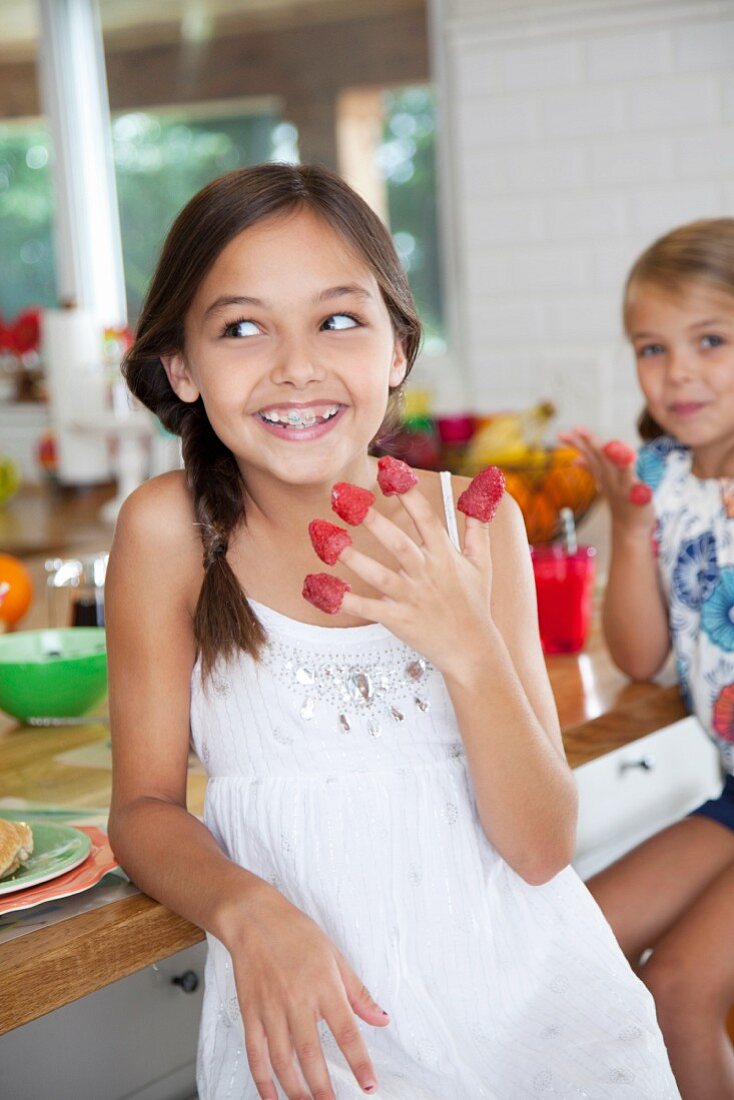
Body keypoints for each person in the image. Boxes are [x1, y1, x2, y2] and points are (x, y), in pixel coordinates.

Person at [106, 163, 678, 1100]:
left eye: (338, 319)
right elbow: (143, 811)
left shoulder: (472, 522)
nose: (296, 364)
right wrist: (248, 912)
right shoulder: (171, 532)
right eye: (242, 327)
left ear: (398, 350)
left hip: (537, 1031)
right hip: (328, 1042)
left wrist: (463, 642)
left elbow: (540, 847)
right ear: (182, 367)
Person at [560, 218, 734, 1100]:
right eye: (652, 348)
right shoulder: (661, 478)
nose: (679, 373)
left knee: (677, 990)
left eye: (711, 340)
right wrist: (629, 530)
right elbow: (639, 658)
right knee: (572, 949)